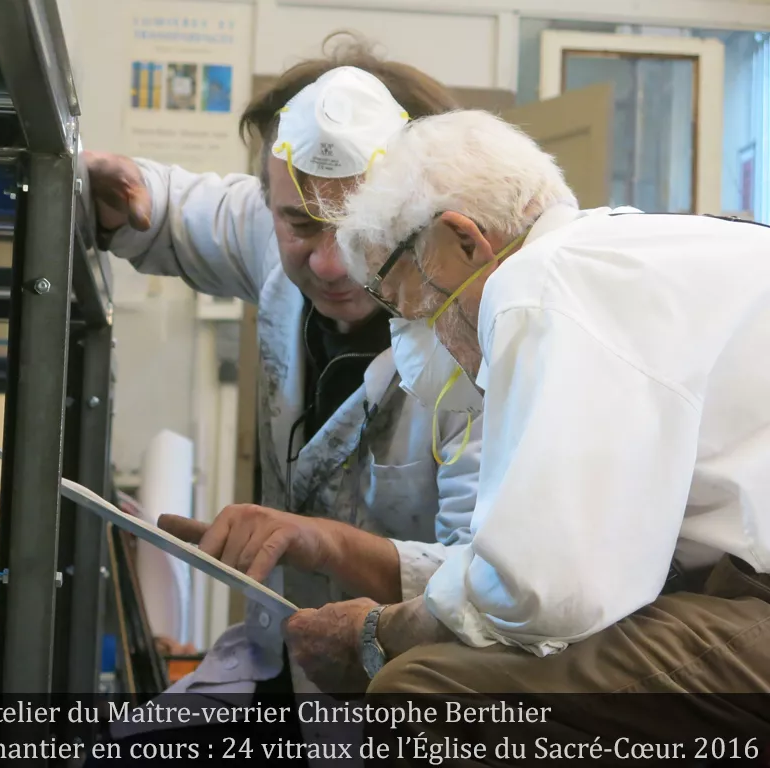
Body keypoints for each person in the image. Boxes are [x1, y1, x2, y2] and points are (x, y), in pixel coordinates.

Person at [284, 108, 770, 732]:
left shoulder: (538, 286)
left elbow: (546, 593)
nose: (408, 324)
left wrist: (381, 633)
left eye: (395, 292)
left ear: (463, 239)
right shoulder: (618, 252)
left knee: (422, 689)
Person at [82, 34, 483, 713]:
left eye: (359, 229)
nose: (329, 264)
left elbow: (485, 586)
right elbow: (178, 207)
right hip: (287, 662)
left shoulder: (478, 345)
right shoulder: (268, 229)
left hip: (421, 699)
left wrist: (322, 543)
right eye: (299, 224)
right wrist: (128, 196)